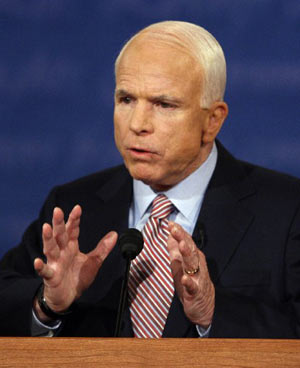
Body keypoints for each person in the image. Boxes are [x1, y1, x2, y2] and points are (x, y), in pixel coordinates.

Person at [1, 20, 300, 338]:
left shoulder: (287, 211)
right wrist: (48, 305)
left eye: (164, 104)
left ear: (212, 121)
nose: (138, 124)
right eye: (126, 100)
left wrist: (214, 312)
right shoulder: (74, 206)